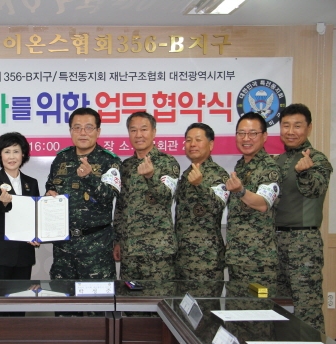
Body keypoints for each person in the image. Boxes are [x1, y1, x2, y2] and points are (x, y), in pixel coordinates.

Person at [275, 103, 333, 333]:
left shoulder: (316, 159)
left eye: (297, 126)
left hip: (303, 243)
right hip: (275, 242)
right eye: (286, 125)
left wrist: (305, 172)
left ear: (309, 128)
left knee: (307, 310)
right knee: (278, 308)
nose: (291, 131)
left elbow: (315, 190)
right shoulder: (278, 161)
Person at [45, 107, 121, 280]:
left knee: (97, 297)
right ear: (70, 131)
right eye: (77, 127)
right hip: (63, 247)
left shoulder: (110, 161)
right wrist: (49, 196)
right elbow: (50, 188)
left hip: (96, 248)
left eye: (89, 127)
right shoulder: (61, 159)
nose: (83, 133)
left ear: (98, 131)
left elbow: (109, 197)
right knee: (63, 296)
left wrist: (89, 177)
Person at [113, 111, 179, 281]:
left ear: (154, 132)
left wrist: (151, 177)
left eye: (144, 129)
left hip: (158, 252)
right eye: (133, 130)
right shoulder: (126, 166)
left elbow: (167, 197)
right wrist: (117, 240)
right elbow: (120, 207)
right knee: (130, 296)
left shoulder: (168, 162)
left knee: (159, 297)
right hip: (129, 251)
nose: (138, 135)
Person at [225, 112, 281, 287]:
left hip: (259, 261)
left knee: (259, 304)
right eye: (241, 133)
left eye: (252, 133)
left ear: (264, 136)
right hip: (237, 258)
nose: (246, 138)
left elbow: (263, 204)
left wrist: (240, 191)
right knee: (237, 304)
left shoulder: (269, 168)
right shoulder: (241, 166)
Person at [175, 123, 229, 281]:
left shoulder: (219, 174)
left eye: (198, 140)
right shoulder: (187, 174)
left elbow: (217, 206)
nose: (192, 144)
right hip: (182, 259)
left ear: (210, 145)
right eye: (188, 140)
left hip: (207, 261)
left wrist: (200, 185)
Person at [0, 132, 40, 281]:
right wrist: (2, 202)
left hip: (24, 253)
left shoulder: (32, 182)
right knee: (0, 294)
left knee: (23, 294)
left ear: (23, 154)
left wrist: (37, 234)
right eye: (7, 152)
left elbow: (35, 215)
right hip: (0, 253)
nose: (12, 157)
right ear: (0, 155)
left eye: (16, 151)